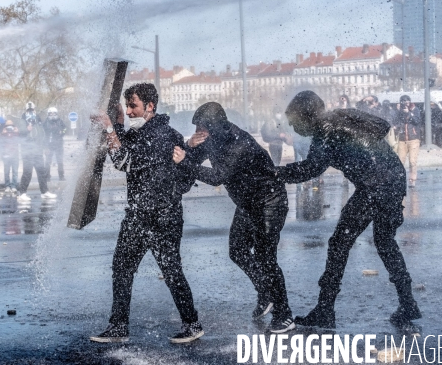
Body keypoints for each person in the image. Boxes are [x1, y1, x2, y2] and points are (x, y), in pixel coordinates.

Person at [276, 90, 421, 331]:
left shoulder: (325, 130)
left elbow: (310, 169)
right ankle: (408, 303)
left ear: (306, 115)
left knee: (339, 243)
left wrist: (274, 173)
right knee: (385, 241)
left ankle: (325, 310)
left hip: (375, 185)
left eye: (294, 120)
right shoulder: (341, 115)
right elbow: (383, 125)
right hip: (394, 177)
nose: (291, 125)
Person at [90, 83, 203, 344]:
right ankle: (118, 326)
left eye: (133, 106)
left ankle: (192, 324)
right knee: (122, 267)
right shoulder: (144, 131)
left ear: (150, 107)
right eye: (127, 106)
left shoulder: (161, 135)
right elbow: (124, 144)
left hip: (162, 216)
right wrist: (116, 121)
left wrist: (109, 126)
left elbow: (123, 161)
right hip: (139, 215)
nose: (129, 111)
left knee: (172, 270)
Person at [173, 102, 295, 334]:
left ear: (215, 126)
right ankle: (265, 291)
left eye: (202, 126)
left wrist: (185, 161)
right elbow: (191, 162)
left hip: (269, 201)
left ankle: (284, 314)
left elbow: (217, 176)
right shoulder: (212, 139)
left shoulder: (239, 142)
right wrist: (187, 151)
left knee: (265, 257)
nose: (199, 130)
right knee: (237, 250)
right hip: (247, 204)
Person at [17, 102, 56, 201]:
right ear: (26, 111)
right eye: (28, 110)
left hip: (38, 152)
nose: (30, 112)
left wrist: (45, 147)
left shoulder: (38, 121)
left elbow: (42, 135)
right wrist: (27, 130)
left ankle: (44, 192)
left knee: (41, 172)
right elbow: (20, 134)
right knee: (27, 173)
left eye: (32, 110)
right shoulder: (22, 121)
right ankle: (22, 193)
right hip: (27, 152)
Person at [395, 95, 421, 187]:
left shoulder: (415, 110)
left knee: (412, 161)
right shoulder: (399, 112)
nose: (405, 104)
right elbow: (396, 122)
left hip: (413, 139)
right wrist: (397, 112)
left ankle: (412, 180)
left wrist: (409, 113)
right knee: (400, 161)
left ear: (410, 102)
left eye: (407, 102)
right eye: (403, 102)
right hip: (402, 140)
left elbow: (417, 121)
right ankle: (400, 180)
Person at [43, 107, 67, 181]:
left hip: (59, 144)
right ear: (48, 114)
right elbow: (43, 135)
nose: (52, 115)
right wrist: (45, 146)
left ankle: (61, 176)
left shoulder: (60, 121)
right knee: (48, 161)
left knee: (60, 161)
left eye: (54, 114)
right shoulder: (45, 123)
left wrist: (62, 132)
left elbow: (65, 129)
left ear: (56, 114)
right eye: (51, 114)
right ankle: (47, 176)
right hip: (49, 145)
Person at [0, 120, 20, 193]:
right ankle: (7, 185)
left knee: (15, 172)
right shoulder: (3, 133)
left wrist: (17, 132)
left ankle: (14, 185)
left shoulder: (16, 133)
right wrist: (2, 134)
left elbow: (20, 140)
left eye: (11, 126)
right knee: (6, 172)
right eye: (7, 126)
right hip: (6, 155)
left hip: (15, 155)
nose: (9, 128)